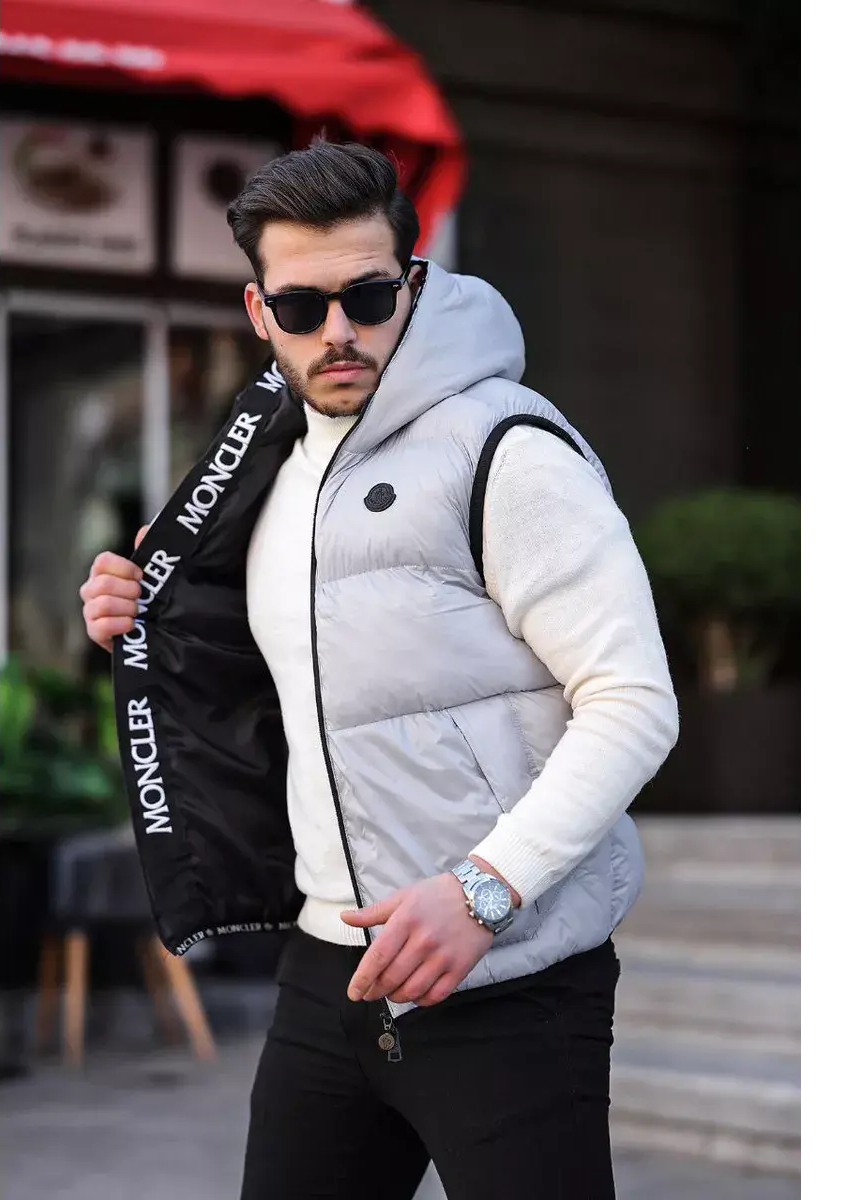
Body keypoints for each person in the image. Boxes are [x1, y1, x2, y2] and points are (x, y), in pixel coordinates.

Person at [80, 140, 678, 1200]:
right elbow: (293, 674)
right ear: (259, 313)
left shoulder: (507, 449)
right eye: (302, 307)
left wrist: (484, 892)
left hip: (510, 974)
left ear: (412, 282)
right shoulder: (266, 465)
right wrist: (144, 612)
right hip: (328, 974)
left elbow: (634, 702)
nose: (339, 332)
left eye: (366, 295)